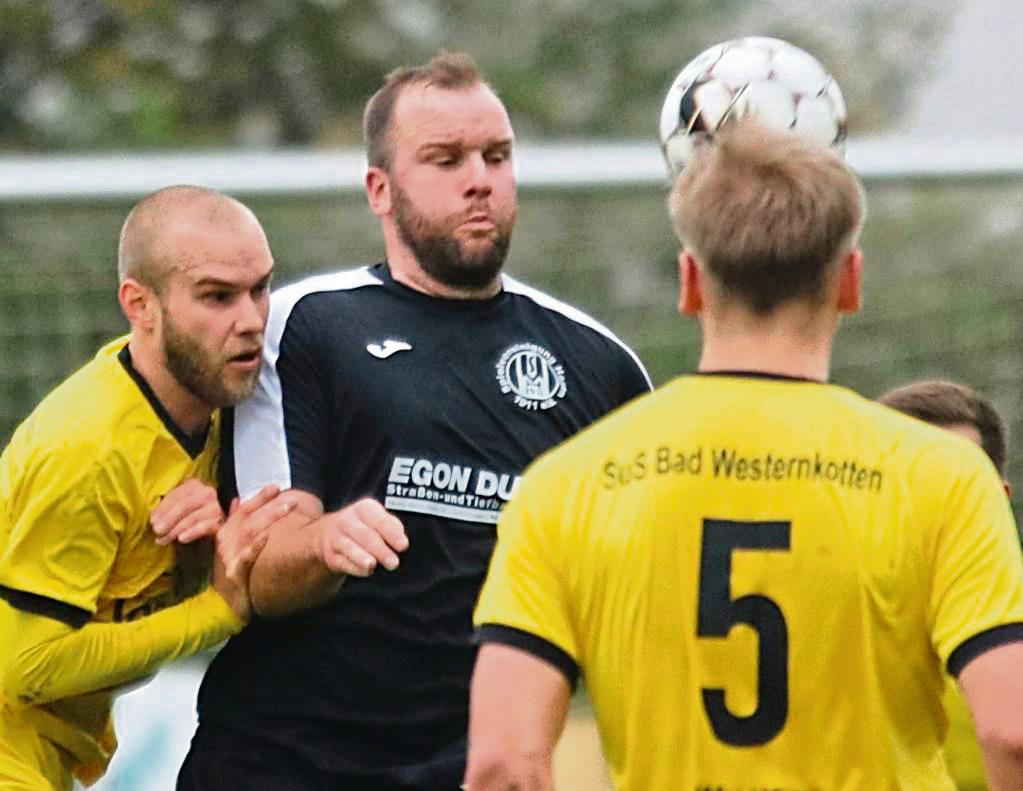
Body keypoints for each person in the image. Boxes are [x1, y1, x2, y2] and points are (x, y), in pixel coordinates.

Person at [465, 122, 1023, 791]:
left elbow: (502, 760)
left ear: (689, 282)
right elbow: (1011, 732)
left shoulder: (564, 484)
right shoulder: (943, 475)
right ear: (849, 280)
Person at [170, 51, 651, 791]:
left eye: (496, 155)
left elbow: (639, 594)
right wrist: (327, 540)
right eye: (444, 158)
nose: (479, 178)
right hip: (282, 762)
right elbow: (258, 571)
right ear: (380, 190)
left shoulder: (600, 367)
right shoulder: (307, 326)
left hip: (466, 770)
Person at [0, 185, 282, 791]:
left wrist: (204, 552)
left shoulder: (223, 406)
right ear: (140, 304)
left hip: (53, 749)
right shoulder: (88, 450)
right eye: (216, 296)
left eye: (260, 287)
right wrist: (216, 613)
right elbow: (28, 666)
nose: (252, 319)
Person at [879, 379, 1013, 791]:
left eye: (959, 483)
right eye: (909, 480)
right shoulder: (823, 625)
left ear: (999, 497)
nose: (936, 501)